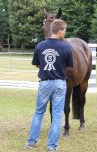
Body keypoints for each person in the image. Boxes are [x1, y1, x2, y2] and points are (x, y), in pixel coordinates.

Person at [25, 19, 73, 151]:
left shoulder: (40, 46)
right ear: (61, 31)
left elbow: (37, 64)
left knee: (39, 113)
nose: (65, 32)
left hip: (44, 83)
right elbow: (69, 66)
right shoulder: (66, 47)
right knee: (57, 115)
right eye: (65, 30)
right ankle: (52, 146)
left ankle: (31, 142)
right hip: (59, 84)